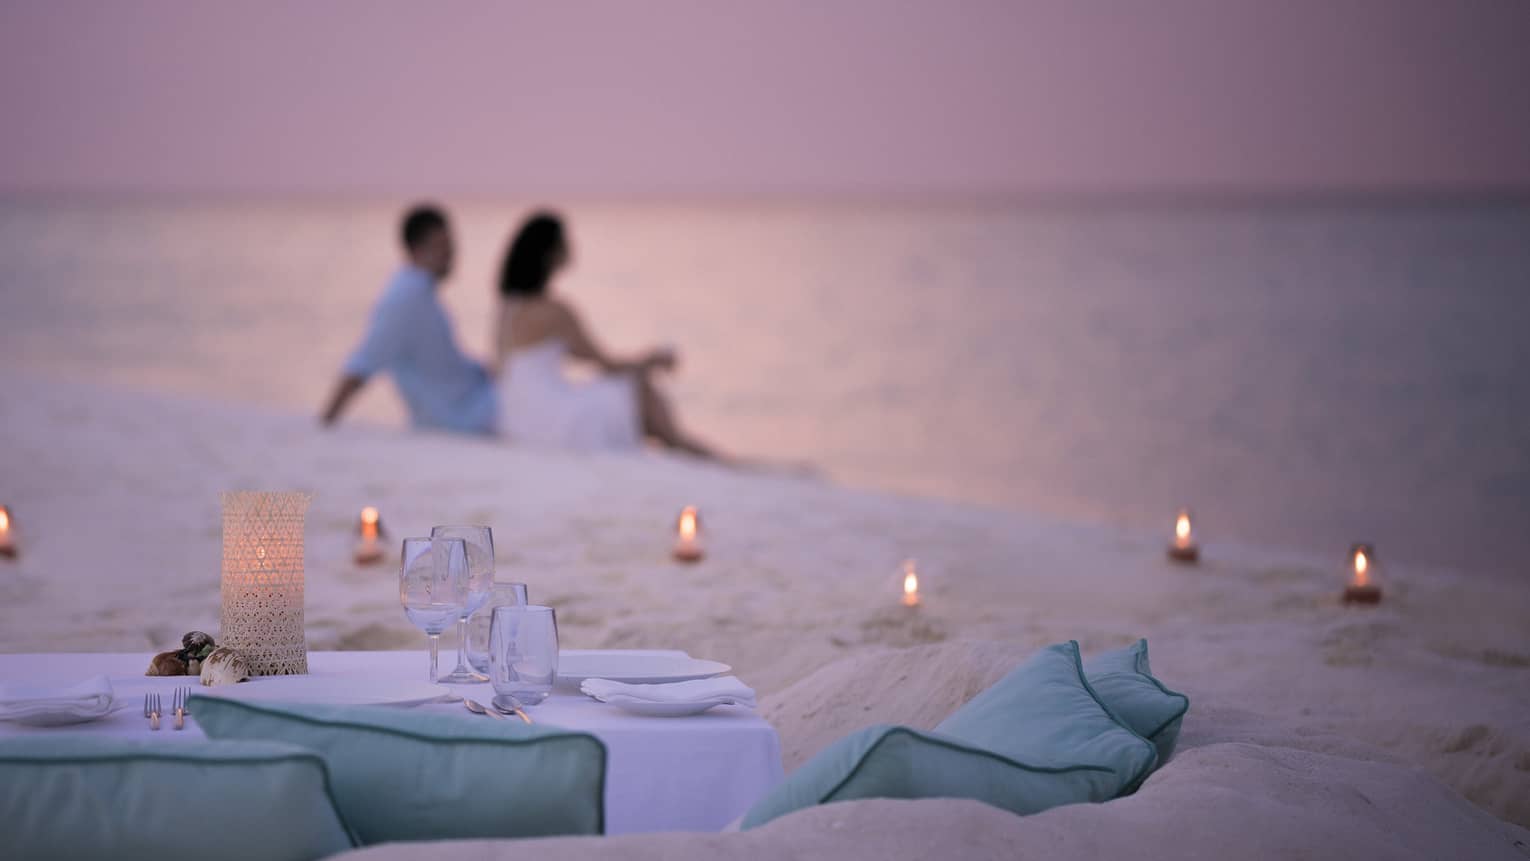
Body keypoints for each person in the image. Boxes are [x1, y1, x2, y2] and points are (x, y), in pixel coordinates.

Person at [494, 211, 720, 458]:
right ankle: (682, 444)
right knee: (636, 387)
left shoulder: (507, 307)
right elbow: (607, 365)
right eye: (565, 241)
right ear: (551, 253)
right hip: (550, 423)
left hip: (515, 421)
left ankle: (679, 444)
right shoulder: (556, 311)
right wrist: (654, 360)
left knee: (622, 391)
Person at [320, 205, 496, 434]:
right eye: (441, 246)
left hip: (472, 400)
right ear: (416, 249)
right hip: (460, 417)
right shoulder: (405, 298)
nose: (450, 254)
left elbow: (447, 365)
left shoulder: (421, 293)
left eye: (450, 245)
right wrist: (326, 421)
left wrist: (489, 371)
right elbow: (363, 362)